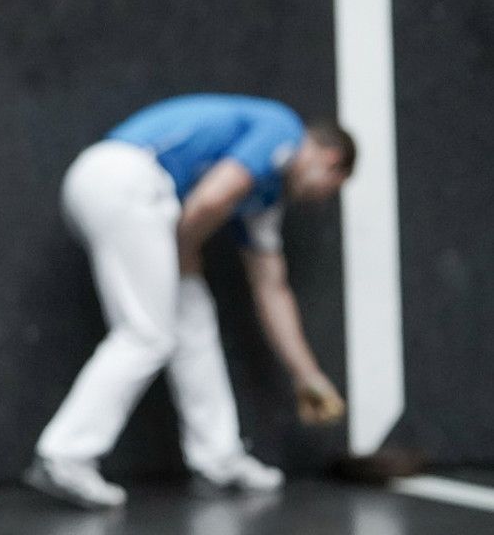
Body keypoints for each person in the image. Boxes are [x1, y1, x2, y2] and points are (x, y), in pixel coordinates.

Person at [26, 94, 354, 509]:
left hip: (120, 188)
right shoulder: (283, 130)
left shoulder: (266, 200)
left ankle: (219, 456)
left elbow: (272, 288)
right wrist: (185, 246)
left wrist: (308, 375)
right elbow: (213, 199)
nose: (322, 198)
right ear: (329, 157)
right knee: (146, 333)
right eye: (331, 186)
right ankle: (66, 455)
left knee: (193, 318)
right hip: (128, 179)